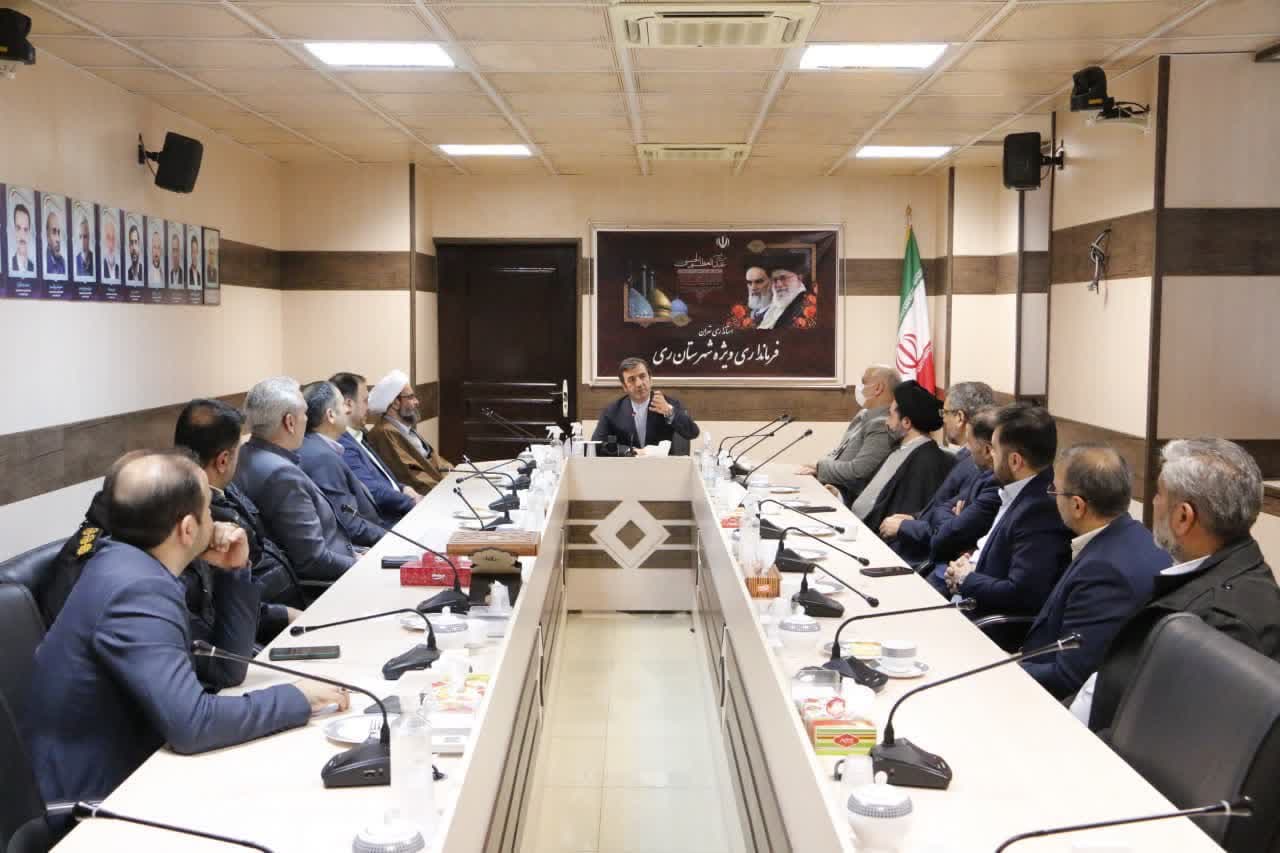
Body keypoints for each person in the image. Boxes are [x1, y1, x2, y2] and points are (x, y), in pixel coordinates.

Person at [23, 450, 347, 810]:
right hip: (100, 800)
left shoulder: (125, 563)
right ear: (188, 529)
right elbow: (193, 725)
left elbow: (226, 670)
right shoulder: (137, 591)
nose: (216, 520)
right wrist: (297, 697)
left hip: (140, 766)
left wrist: (234, 572)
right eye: (208, 509)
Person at [1074, 438, 1280, 733]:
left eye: (1158, 494)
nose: (1153, 502)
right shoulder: (1220, 569)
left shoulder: (1220, 624)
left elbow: (1161, 738)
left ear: (1183, 517)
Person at [1018, 444, 1170, 700]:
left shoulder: (1105, 572)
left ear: (1077, 506)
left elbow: (1067, 677)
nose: (1052, 497)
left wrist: (1007, 669)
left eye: (1054, 490)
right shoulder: (1138, 536)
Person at [174, 398, 307, 636]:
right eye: (238, 450)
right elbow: (217, 610)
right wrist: (284, 615)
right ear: (223, 460)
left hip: (283, 600)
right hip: (261, 625)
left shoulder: (225, 486)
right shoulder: (197, 519)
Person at [933, 404, 1071, 617]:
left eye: (994, 450)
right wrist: (971, 560)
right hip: (967, 597)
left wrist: (967, 579)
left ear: (1015, 461)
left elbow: (1021, 593)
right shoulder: (1016, 490)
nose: (990, 456)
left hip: (984, 622)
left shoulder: (1040, 511)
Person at [233, 377, 358, 582]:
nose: (307, 419)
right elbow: (314, 560)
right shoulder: (282, 475)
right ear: (290, 422)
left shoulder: (244, 455)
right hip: (331, 584)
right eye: (305, 413)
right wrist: (362, 565)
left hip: (344, 556)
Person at [881, 381, 996, 562]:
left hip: (927, 556)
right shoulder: (963, 457)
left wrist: (907, 526)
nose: (943, 419)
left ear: (959, 417)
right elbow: (943, 508)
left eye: (945, 412)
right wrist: (915, 517)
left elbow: (951, 529)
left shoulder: (979, 466)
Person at [907, 406, 1002, 574]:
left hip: (951, 567)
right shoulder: (983, 473)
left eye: (970, 444)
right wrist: (954, 520)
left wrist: (955, 521)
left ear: (987, 450)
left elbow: (947, 537)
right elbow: (942, 508)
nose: (968, 450)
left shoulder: (993, 482)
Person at [853, 380, 956, 528]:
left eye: (890, 416)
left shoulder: (926, 461)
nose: (887, 423)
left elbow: (902, 518)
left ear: (906, 422)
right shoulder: (900, 448)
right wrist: (840, 495)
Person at [298, 381, 386, 546]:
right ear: (331, 415)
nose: (347, 409)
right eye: (342, 404)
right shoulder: (322, 458)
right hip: (364, 547)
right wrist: (389, 537)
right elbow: (350, 525)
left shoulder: (315, 445)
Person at [799, 365, 897, 504]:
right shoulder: (864, 414)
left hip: (845, 498)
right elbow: (839, 452)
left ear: (878, 388)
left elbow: (858, 471)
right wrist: (816, 466)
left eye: (863, 382)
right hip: (829, 486)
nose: (859, 388)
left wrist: (820, 467)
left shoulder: (882, 423)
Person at [331, 371, 420, 525]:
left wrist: (403, 488)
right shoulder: (342, 445)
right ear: (348, 404)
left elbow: (383, 478)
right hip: (389, 522)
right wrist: (411, 502)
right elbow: (371, 489)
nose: (369, 407)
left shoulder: (360, 434)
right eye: (365, 401)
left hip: (401, 508)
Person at [590, 357, 700, 456]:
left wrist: (669, 412)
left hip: (662, 468)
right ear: (624, 387)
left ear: (650, 379)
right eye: (632, 379)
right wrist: (629, 451)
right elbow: (596, 445)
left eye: (642, 376)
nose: (639, 383)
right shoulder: (613, 411)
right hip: (627, 468)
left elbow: (693, 432)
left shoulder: (668, 403)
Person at [366, 369, 451, 492]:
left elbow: (433, 459)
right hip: (428, 496)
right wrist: (446, 491)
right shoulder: (384, 433)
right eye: (411, 397)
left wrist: (454, 475)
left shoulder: (405, 429)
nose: (417, 402)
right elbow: (411, 477)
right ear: (395, 403)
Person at [758, 263, 810, 330]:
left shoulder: (806, 306)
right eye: (774, 280)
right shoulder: (771, 307)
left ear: (799, 278)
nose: (778, 284)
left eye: (783, 278)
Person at [9, 202, 35, 274]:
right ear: (14, 230)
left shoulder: (33, 268)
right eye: (18, 228)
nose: (22, 235)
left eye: (25, 229)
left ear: (29, 233)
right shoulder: (9, 265)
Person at [45, 207, 66, 276]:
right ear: (47, 236)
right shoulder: (44, 262)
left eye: (58, 233)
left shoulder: (62, 262)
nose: (58, 239)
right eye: (54, 232)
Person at [101, 215, 121, 280]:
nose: (111, 243)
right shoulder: (100, 267)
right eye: (108, 237)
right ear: (103, 240)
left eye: (113, 238)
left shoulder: (119, 267)